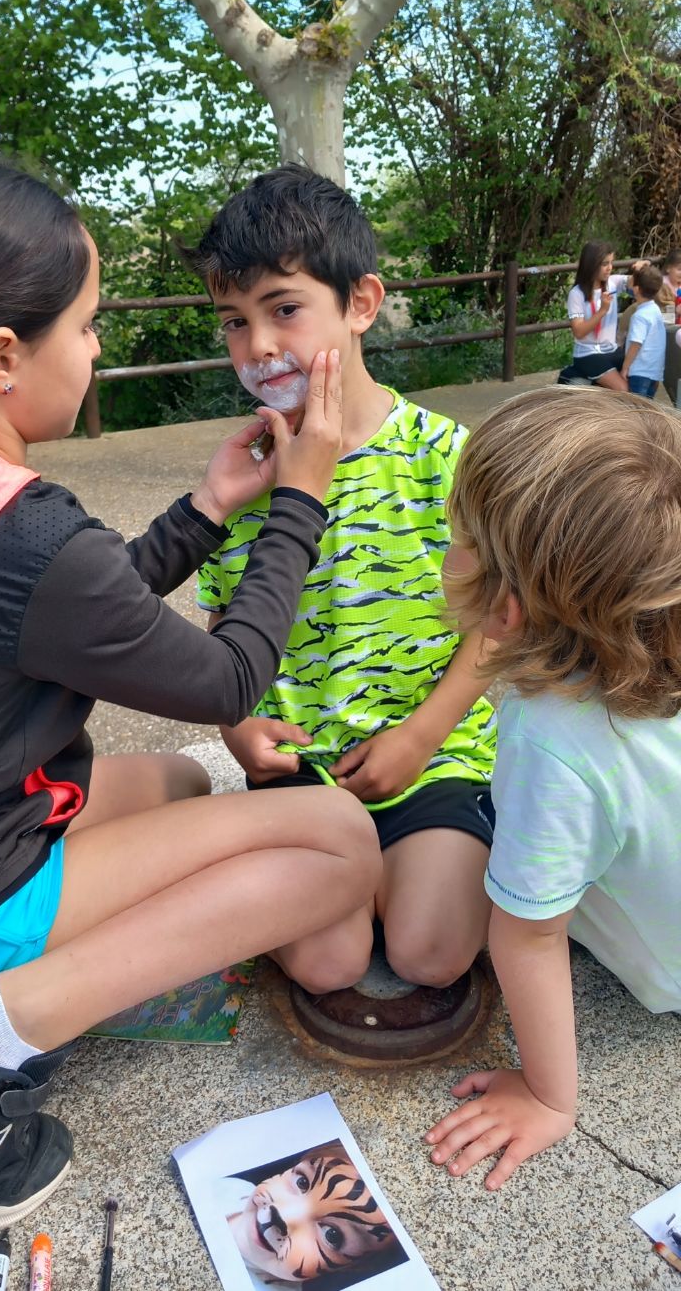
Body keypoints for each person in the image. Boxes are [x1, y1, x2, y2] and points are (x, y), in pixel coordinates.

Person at [0, 151, 381, 1231]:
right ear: (3, 357)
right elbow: (229, 678)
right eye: (88, 325)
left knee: (175, 785)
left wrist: (207, 507)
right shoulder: (28, 539)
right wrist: (300, 496)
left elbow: (74, 607)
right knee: (341, 843)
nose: (99, 348)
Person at [185, 165, 496, 998]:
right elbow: (223, 621)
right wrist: (236, 727)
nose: (258, 345)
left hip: (433, 759)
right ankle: (335, 875)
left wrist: (421, 738)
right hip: (298, 770)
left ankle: (396, 867)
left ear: (361, 303)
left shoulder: (448, 456)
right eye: (234, 322)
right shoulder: (244, 474)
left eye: (283, 309)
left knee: (433, 954)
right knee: (328, 968)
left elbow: (497, 620)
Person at [424, 387, 681, 1190]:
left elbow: (531, 936)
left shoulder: (552, 736)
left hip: (669, 974)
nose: (447, 547)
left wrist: (546, 1094)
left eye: (460, 537)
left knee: (493, 877)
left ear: (505, 606)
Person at [221, 1140, 405, 1287]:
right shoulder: (231, 1187)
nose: (284, 1216)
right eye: (302, 1182)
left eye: (332, 1235)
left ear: (350, 1268)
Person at [566, 240, 646, 391]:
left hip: (612, 350)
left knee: (644, 376)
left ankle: (595, 384)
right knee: (623, 390)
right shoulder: (576, 294)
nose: (610, 268)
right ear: (591, 265)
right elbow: (579, 332)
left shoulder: (612, 283)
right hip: (588, 354)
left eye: (611, 262)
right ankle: (581, 379)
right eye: (605, 264)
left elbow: (633, 283)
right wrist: (602, 311)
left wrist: (641, 268)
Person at [621, 263, 667, 397]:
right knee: (647, 407)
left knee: (635, 407)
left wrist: (625, 367)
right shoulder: (656, 310)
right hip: (654, 372)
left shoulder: (639, 316)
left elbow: (636, 344)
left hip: (639, 372)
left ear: (636, 289)